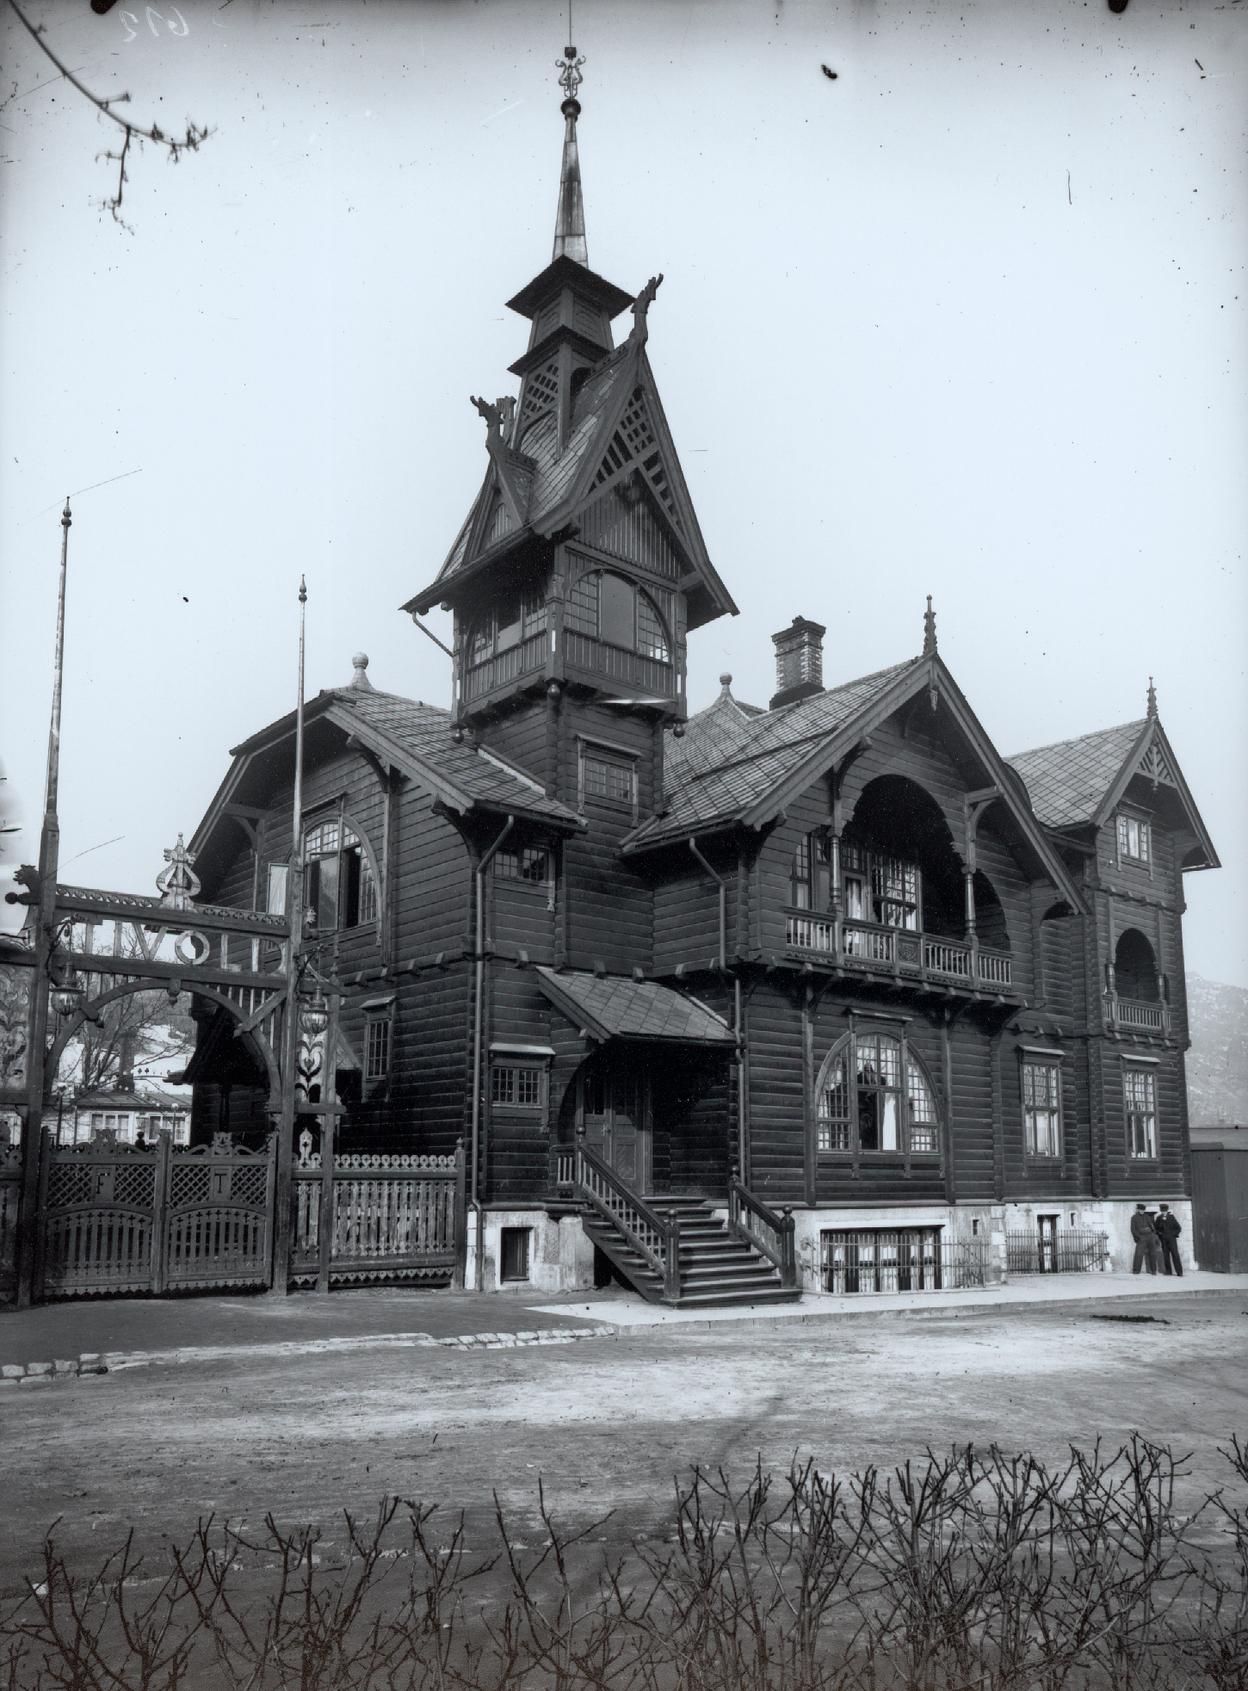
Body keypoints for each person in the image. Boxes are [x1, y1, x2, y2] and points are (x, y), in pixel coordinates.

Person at [1130, 1203, 1161, 1274]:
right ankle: (1136, 1270)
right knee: (1138, 1254)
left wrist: (1153, 1233)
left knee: (1153, 1253)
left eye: (1143, 1210)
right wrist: (1138, 1237)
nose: (1142, 1211)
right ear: (1138, 1210)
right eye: (1140, 1210)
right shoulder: (1134, 1218)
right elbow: (1133, 1229)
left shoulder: (1147, 1217)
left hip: (1150, 1237)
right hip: (1141, 1237)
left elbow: (1152, 1227)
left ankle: (1153, 1270)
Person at [1154, 1204, 1183, 1277]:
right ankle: (1168, 1271)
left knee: (1175, 1255)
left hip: (1172, 1240)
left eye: (1165, 1211)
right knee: (1165, 1256)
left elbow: (1178, 1228)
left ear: (1167, 1210)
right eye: (1162, 1211)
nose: (1164, 1212)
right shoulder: (1158, 1218)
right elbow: (1156, 1229)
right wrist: (1160, 1234)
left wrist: (1173, 1234)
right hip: (1163, 1240)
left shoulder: (1171, 1217)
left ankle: (1179, 1272)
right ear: (1161, 1211)